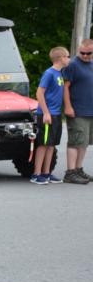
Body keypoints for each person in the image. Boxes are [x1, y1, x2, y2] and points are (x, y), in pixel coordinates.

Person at [31, 46, 70, 184]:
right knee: (43, 144)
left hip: (56, 114)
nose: (69, 59)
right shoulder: (49, 73)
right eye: (67, 56)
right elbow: (39, 93)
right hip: (46, 114)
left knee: (51, 144)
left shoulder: (60, 73)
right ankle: (36, 174)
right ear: (60, 58)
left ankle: (47, 173)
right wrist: (46, 112)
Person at [62, 38, 93, 184]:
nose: (86, 56)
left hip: (90, 110)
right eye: (83, 53)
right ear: (79, 50)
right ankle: (70, 172)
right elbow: (65, 87)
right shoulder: (72, 65)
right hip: (77, 110)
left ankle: (79, 169)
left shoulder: (91, 64)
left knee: (84, 142)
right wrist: (68, 106)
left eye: (89, 53)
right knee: (75, 141)